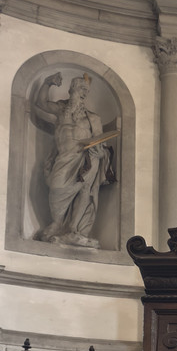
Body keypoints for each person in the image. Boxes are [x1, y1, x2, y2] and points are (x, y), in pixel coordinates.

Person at [35, 72, 115, 248]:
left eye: (86, 91)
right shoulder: (61, 109)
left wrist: (99, 153)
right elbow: (40, 103)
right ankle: (57, 223)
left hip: (86, 159)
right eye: (80, 89)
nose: (83, 93)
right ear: (71, 90)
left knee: (85, 189)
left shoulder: (93, 118)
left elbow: (100, 143)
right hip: (64, 158)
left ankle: (74, 229)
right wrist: (48, 82)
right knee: (56, 187)